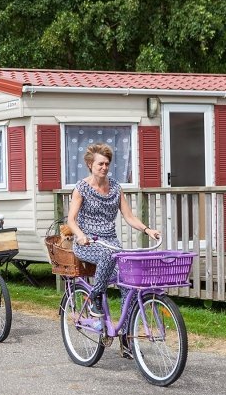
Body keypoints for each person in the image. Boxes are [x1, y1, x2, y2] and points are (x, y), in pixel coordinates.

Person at [67, 143, 161, 357]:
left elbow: (129, 216)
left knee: (128, 286)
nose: (104, 167)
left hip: (110, 242)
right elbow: (71, 220)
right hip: (88, 243)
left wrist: (147, 230)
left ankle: (126, 340)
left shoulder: (116, 187)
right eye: (100, 163)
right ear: (90, 165)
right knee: (107, 256)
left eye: (107, 164)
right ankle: (95, 300)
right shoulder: (81, 188)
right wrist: (80, 235)